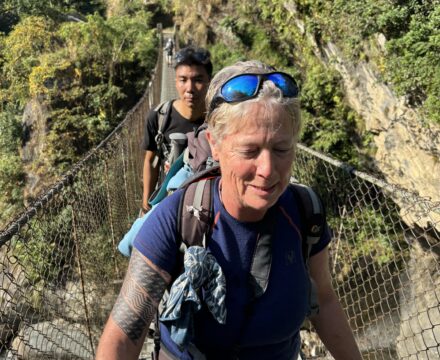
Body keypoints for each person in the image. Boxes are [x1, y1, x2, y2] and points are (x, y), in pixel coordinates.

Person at [96, 60, 362, 360]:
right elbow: (122, 337)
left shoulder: (305, 211)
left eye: (281, 149)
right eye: (249, 151)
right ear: (215, 145)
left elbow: (324, 301)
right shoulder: (177, 217)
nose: (268, 170)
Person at [141, 46, 212, 216]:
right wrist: (146, 206)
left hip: (208, 204)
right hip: (169, 203)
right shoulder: (159, 117)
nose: (190, 88)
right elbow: (151, 162)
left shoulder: (219, 120)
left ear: (210, 80)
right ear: (175, 82)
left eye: (198, 80)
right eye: (183, 79)